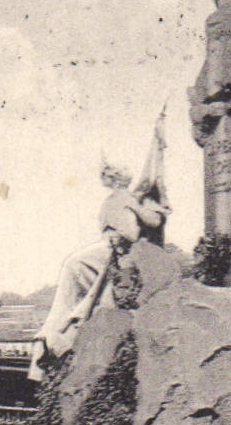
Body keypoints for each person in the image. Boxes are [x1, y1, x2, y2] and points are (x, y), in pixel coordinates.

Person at [31, 161, 169, 380]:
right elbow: (148, 223)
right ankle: (66, 326)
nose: (106, 180)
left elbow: (137, 229)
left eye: (109, 177)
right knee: (81, 278)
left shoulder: (116, 200)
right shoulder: (123, 199)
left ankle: (62, 329)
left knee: (79, 277)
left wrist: (153, 211)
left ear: (115, 180)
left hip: (113, 252)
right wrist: (158, 210)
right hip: (111, 251)